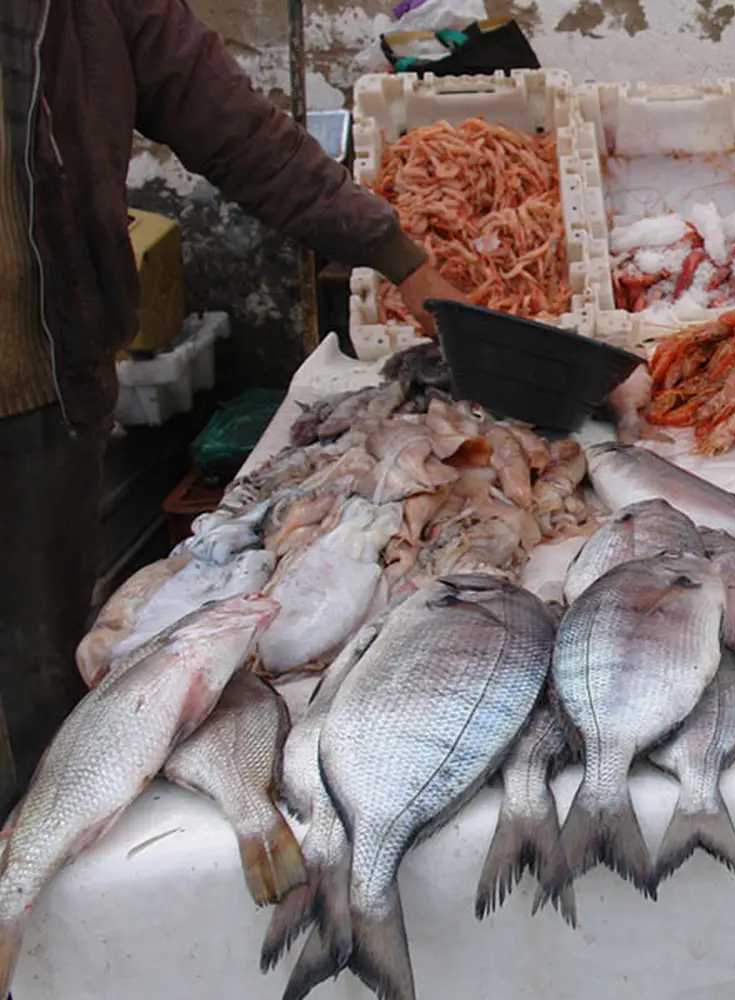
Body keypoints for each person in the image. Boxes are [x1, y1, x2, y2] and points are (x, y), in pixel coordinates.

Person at [0, 0, 465, 813]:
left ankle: (46, 895)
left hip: (46, 387)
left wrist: (399, 258)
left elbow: (240, 132)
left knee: (42, 682)